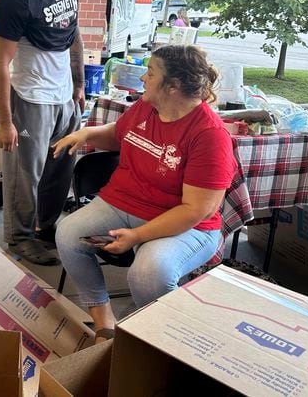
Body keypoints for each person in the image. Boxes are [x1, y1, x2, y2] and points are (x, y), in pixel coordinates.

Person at [52, 45, 237, 343]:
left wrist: (138, 237)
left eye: (150, 73)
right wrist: (85, 134)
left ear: (173, 87)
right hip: (124, 202)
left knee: (149, 274)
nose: (143, 79)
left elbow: (194, 210)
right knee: (68, 234)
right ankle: (105, 324)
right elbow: (119, 134)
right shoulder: (148, 106)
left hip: (187, 225)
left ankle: (164, 343)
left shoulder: (210, 135)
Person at [0, 0, 84, 266]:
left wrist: (80, 82)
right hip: (31, 96)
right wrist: (5, 122)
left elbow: (73, 32)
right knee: (25, 175)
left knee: (60, 168)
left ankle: (46, 228)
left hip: (63, 96)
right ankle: (19, 238)